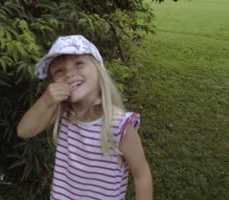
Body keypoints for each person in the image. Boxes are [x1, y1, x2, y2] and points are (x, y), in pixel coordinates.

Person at [17, 35, 153, 200]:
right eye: (59, 71)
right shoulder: (64, 114)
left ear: (98, 70)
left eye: (79, 63)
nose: (68, 74)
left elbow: (141, 175)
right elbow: (24, 130)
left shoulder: (119, 127)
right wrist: (45, 101)